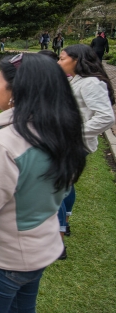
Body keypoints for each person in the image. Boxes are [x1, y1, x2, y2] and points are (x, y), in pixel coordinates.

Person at [0, 53, 87, 312]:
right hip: (40, 249)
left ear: (17, 92)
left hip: (4, 259)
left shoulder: (0, 145)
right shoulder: (62, 131)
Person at [56, 45, 114, 255]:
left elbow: (106, 117)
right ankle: (66, 222)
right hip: (68, 143)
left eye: (62, 59)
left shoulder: (91, 83)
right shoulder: (77, 80)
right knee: (67, 186)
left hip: (73, 144)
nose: (59, 62)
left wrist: (75, 133)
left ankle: (58, 241)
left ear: (77, 60)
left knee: (57, 189)